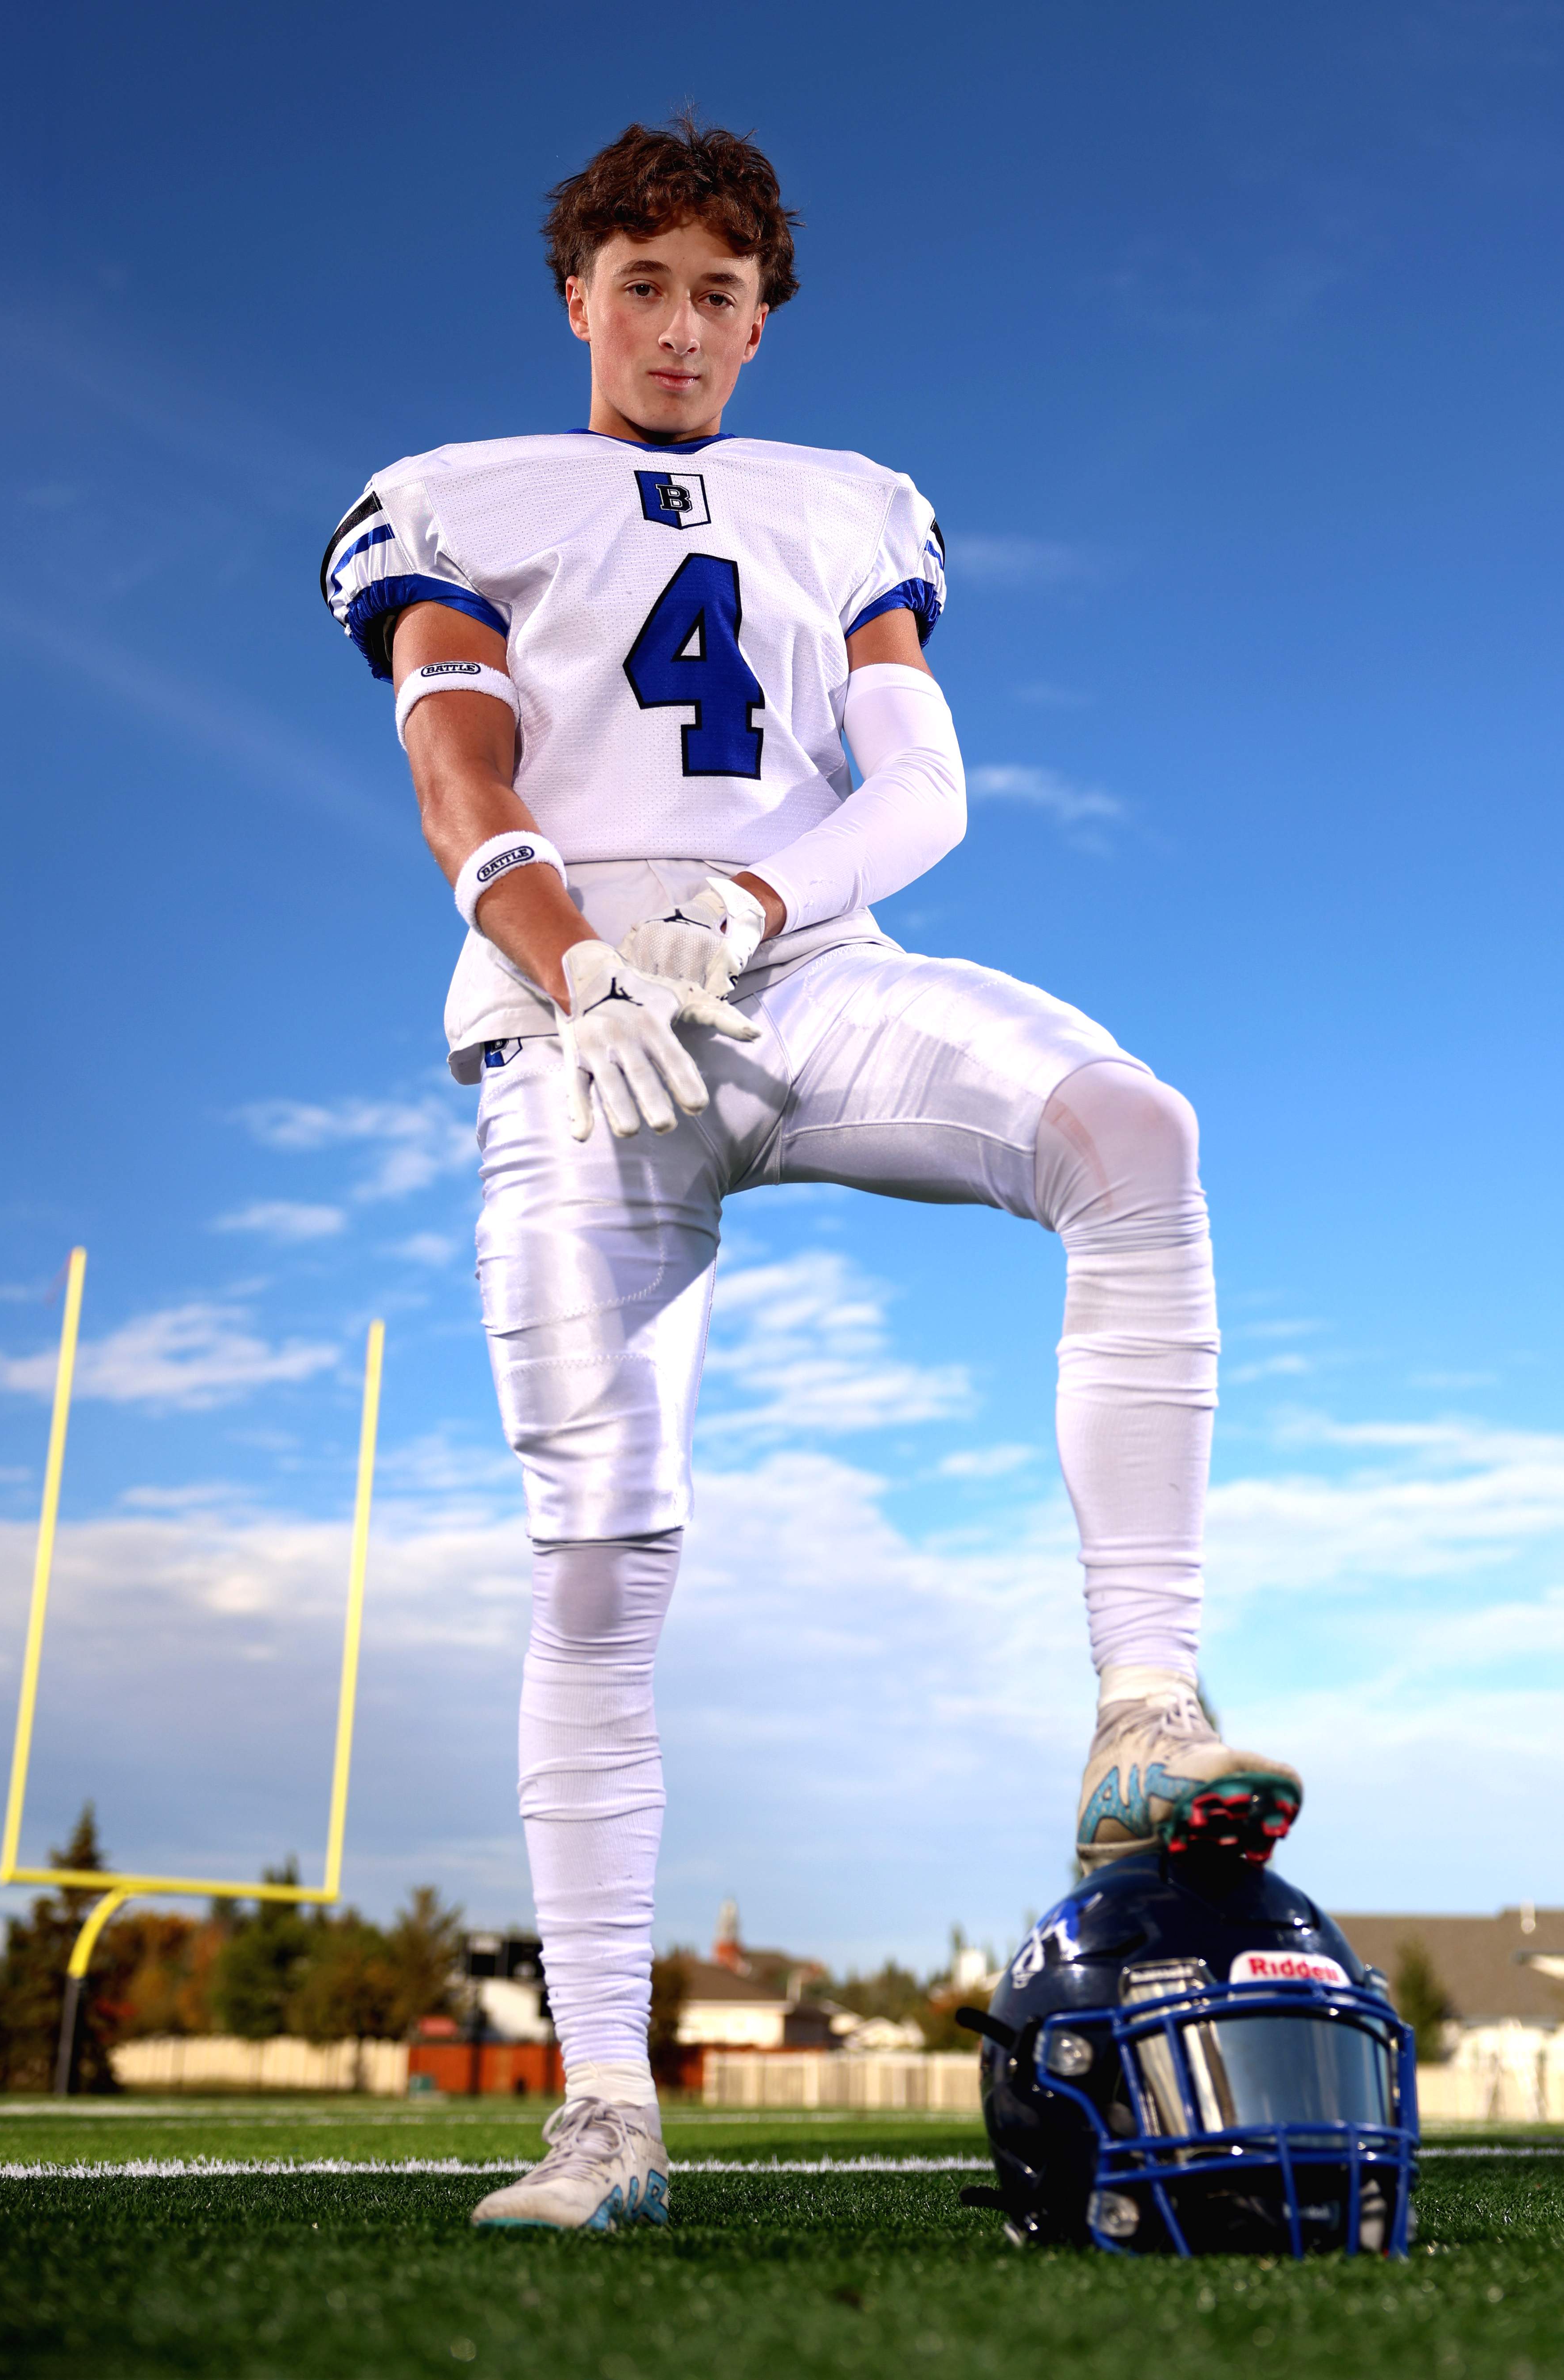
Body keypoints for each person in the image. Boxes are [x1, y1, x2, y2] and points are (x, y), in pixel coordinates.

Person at [321, 116, 1301, 2234]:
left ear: (765, 321)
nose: (681, 327)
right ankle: (605, 2110)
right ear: (577, 296)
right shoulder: (462, 496)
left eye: (722, 293)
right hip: (575, 1028)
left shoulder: (844, 503)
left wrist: (748, 909)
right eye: (643, 285)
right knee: (602, 1554)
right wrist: (574, 957)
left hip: (797, 967)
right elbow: (454, 754)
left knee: (1135, 1128)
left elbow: (923, 774)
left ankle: (1146, 1699)